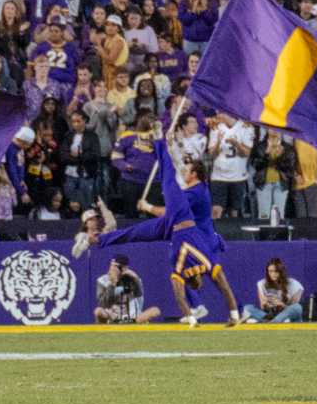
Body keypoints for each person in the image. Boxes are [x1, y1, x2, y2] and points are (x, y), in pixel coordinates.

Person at [77, 132, 241, 325]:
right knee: (134, 232)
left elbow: (169, 208)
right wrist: (234, 314)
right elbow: (222, 285)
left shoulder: (198, 191)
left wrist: (147, 207)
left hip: (188, 230)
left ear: (194, 174)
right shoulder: (194, 191)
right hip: (181, 229)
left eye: (188, 169)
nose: (185, 170)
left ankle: (158, 140)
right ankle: (93, 240)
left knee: (168, 179)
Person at [93, 256, 159, 324]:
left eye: (116, 266)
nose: (112, 269)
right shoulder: (102, 280)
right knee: (98, 311)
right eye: (111, 265)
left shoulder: (133, 279)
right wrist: (112, 284)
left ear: (124, 268)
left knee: (155, 310)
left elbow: (139, 297)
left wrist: (135, 279)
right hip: (113, 318)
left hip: (133, 318)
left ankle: (135, 323)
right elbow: (103, 303)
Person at [245, 259, 307, 323]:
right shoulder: (262, 283)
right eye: (270, 271)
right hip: (270, 315)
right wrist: (266, 305)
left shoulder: (294, 284)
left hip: (286, 314)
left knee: (298, 307)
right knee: (247, 308)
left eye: (276, 271)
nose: (273, 274)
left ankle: (272, 322)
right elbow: (262, 307)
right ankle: (275, 321)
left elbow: (293, 309)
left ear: (281, 271)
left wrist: (282, 305)